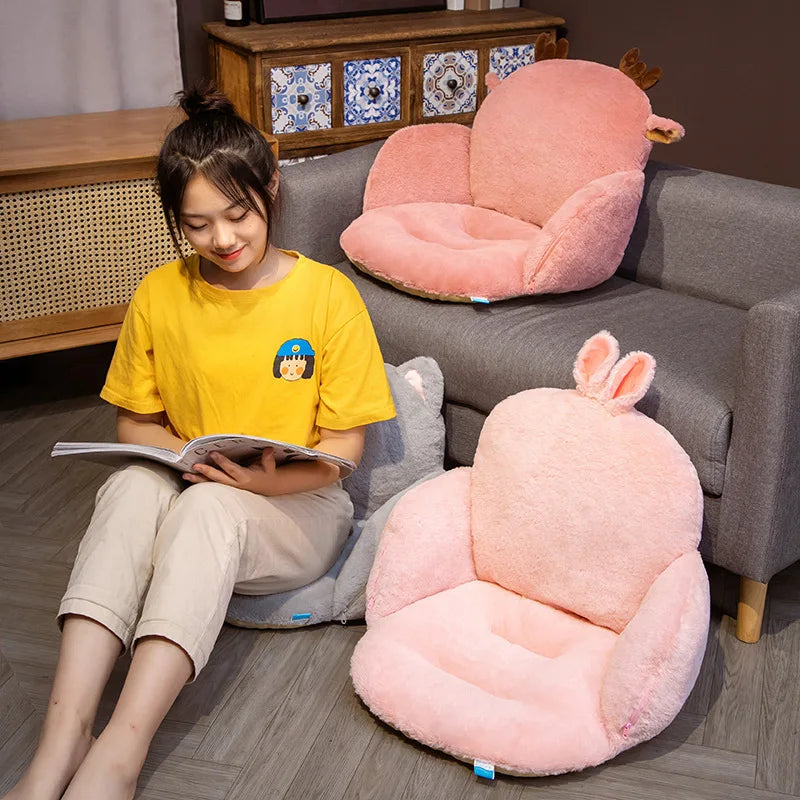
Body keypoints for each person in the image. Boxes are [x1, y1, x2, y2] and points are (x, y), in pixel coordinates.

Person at [4, 85, 395, 800]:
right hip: (195, 484)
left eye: (239, 214)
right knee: (128, 485)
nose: (223, 239)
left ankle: (119, 754)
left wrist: (259, 484)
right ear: (176, 223)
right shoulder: (160, 293)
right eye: (197, 225)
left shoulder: (328, 298)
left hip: (298, 508)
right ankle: (62, 740)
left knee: (206, 511)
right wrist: (182, 456)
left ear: (270, 187)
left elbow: (344, 448)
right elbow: (134, 422)